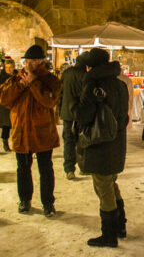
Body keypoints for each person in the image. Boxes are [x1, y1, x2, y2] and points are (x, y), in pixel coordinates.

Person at [73, 48, 129, 248]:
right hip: (117, 142)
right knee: (111, 182)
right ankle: (120, 226)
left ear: (91, 66)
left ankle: (109, 235)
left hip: (100, 143)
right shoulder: (120, 85)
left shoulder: (93, 84)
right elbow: (125, 116)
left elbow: (84, 116)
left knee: (103, 187)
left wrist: (74, 109)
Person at [0, 45, 61, 217]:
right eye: (27, 61)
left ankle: (48, 203)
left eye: (33, 61)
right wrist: (20, 85)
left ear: (41, 61)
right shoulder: (16, 79)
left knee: (45, 168)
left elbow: (49, 102)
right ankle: (25, 200)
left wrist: (33, 83)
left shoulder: (50, 80)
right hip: (21, 131)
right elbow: (4, 99)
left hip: (42, 132)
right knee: (23, 168)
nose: (29, 64)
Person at [59, 51, 89, 180]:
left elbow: (60, 93)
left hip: (66, 112)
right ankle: (82, 167)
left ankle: (69, 169)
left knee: (68, 141)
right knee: (81, 140)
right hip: (80, 113)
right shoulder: (85, 76)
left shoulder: (66, 73)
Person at [0, 58, 16, 152]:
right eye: (7, 67)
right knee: (6, 124)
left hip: (14, 103)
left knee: (14, 124)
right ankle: (5, 143)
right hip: (4, 104)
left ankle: (15, 142)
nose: (9, 69)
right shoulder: (1, 76)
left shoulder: (16, 75)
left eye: (11, 67)